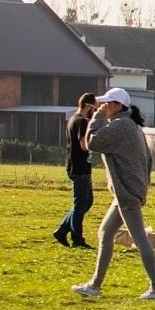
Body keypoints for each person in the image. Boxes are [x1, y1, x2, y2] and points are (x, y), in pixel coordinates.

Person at [71, 89, 155, 301]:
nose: (102, 107)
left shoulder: (121, 126)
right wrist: (143, 188)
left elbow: (92, 143)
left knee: (140, 239)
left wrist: (97, 117)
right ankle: (95, 285)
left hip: (126, 192)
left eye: (106, 104)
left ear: (117, 105)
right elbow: (148, 160)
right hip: (127, 191)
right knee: (105, 233)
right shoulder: (131, 126)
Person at [53, 92, 98, 248]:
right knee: (80, 205)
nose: (95, 112)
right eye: (95, 109)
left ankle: (62, 230)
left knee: (87, 202)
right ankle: (77, 240)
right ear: (88, 106)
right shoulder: (83, 122)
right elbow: (83, 145)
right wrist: (96, 143)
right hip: (80, 167)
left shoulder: (72, 119)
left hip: (76, 166)